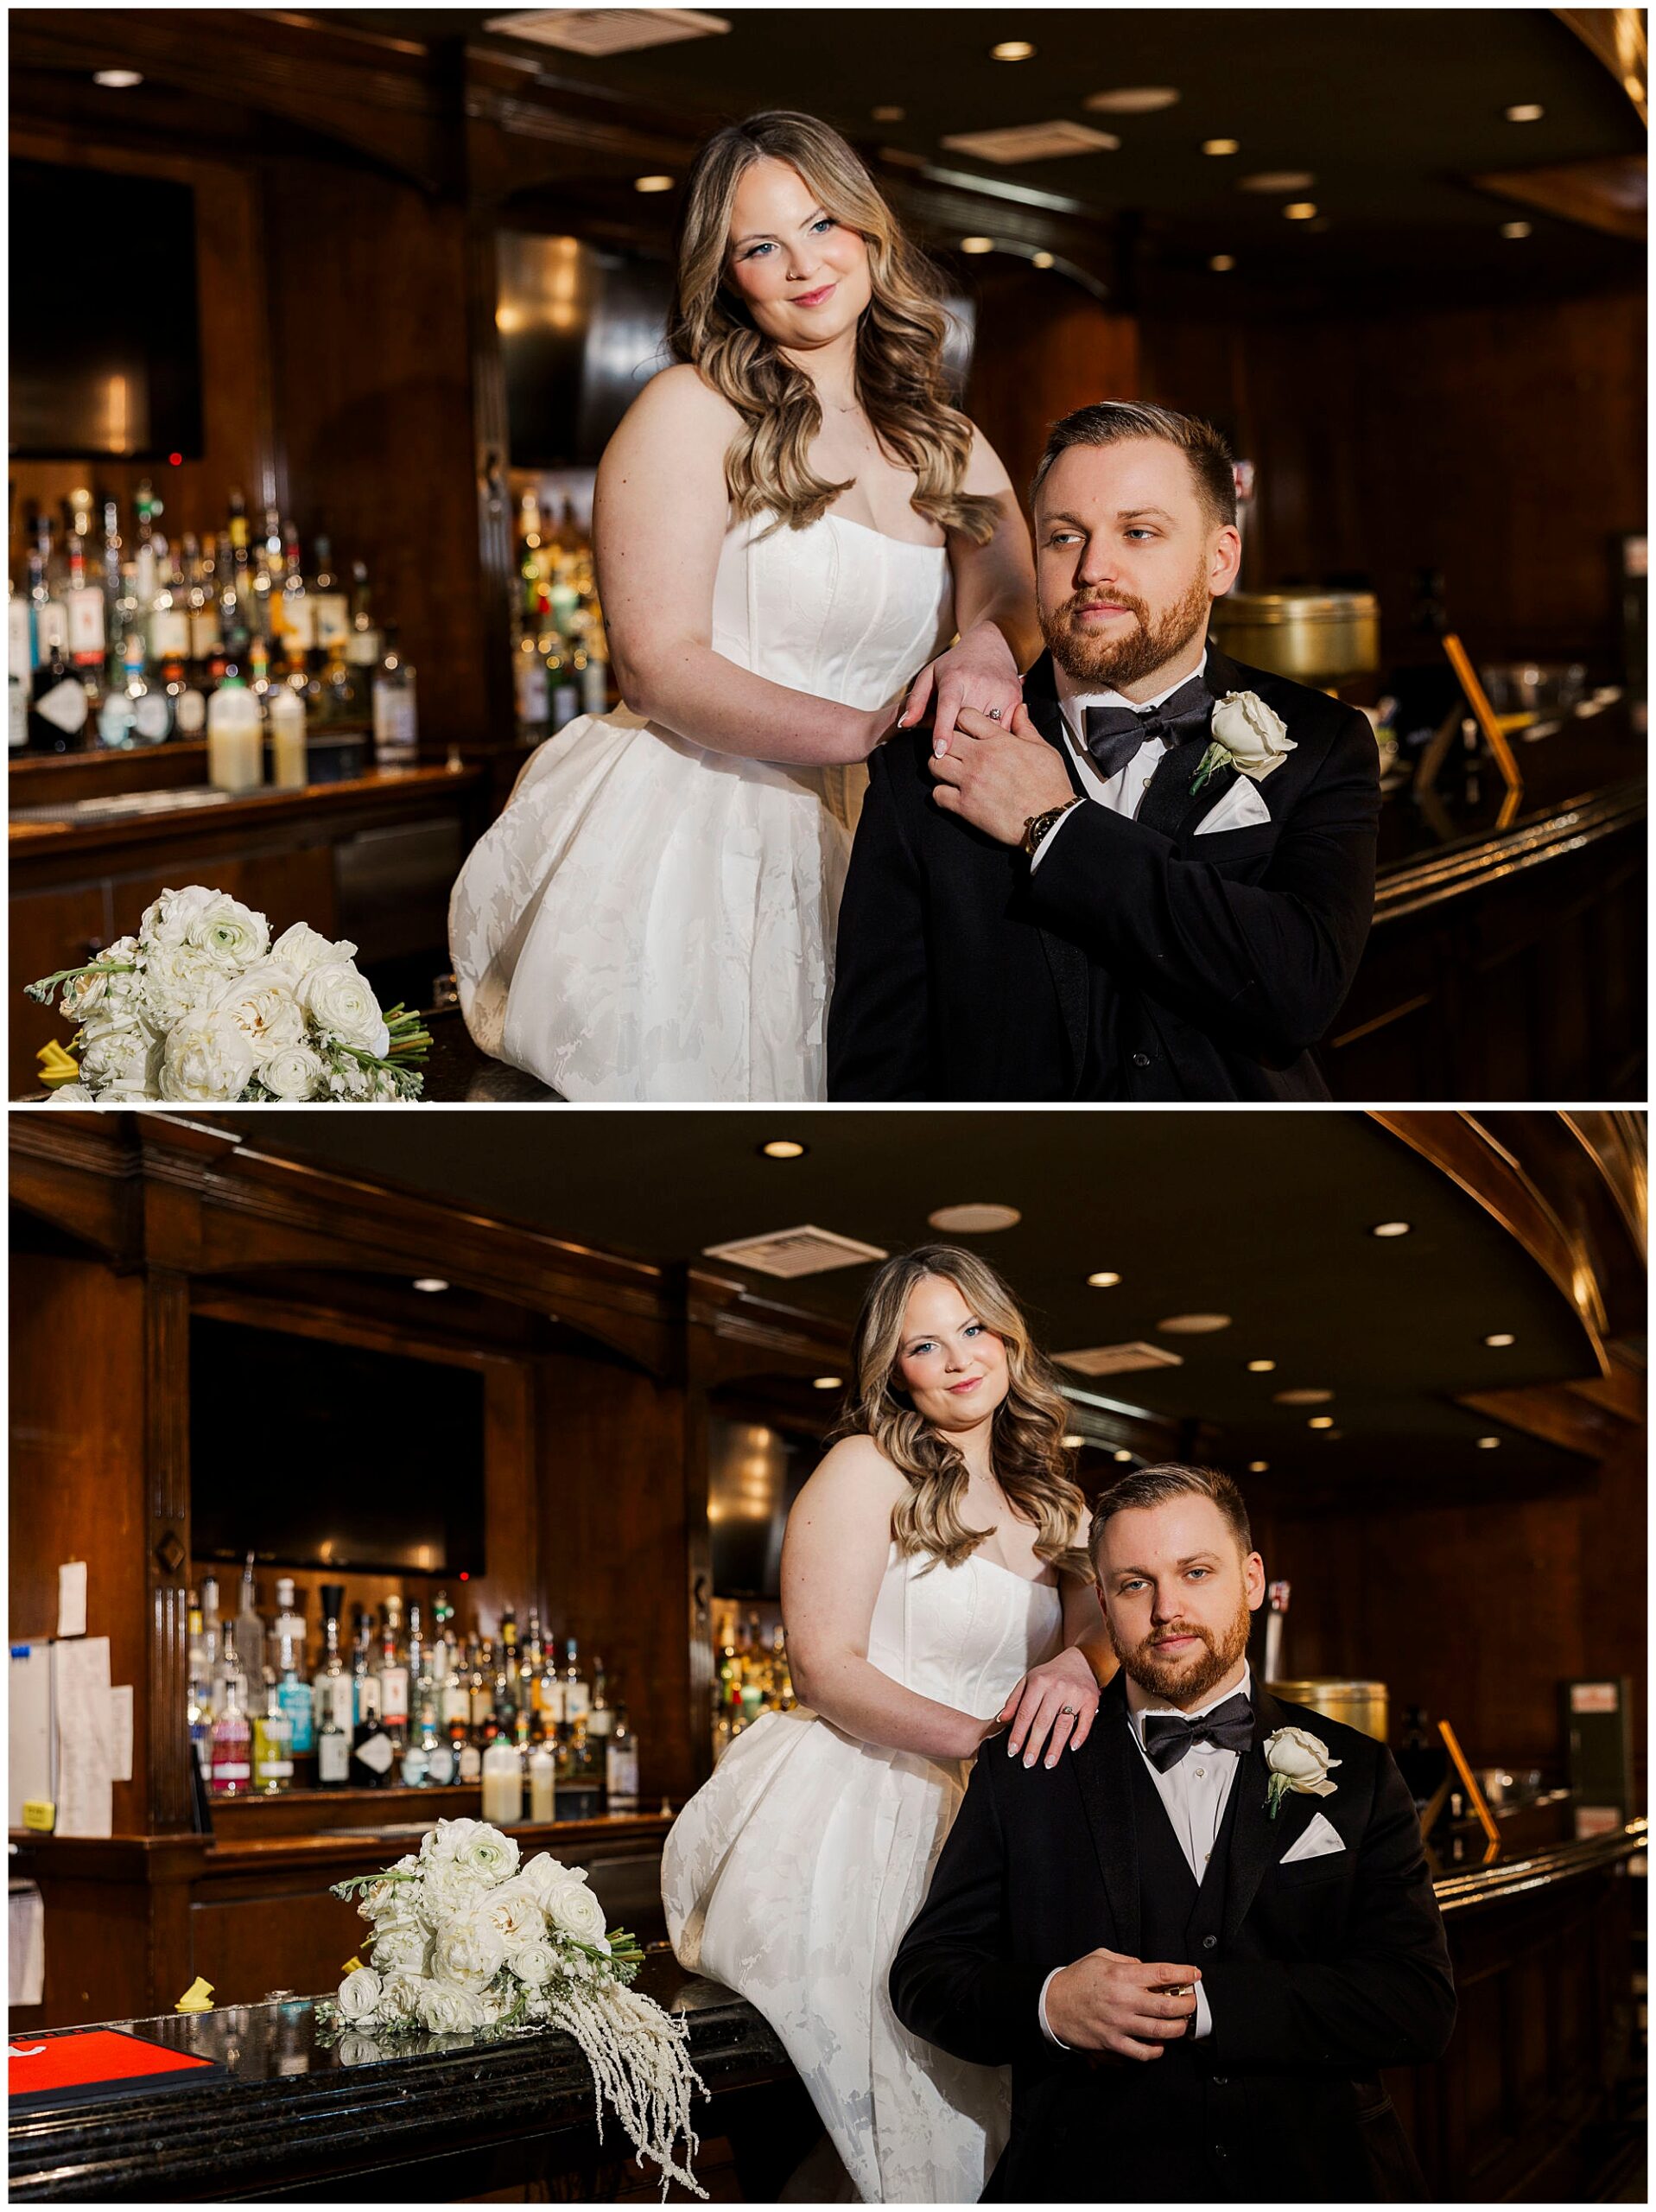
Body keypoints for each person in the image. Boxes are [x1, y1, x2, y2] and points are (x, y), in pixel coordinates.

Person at [449, 111, 1037, 1100]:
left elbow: (1016, 592)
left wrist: (982, 649)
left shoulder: (947, 438)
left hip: (895, 825)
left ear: (869, 232)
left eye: (822, 226)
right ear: (726, 276)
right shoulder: (687, 410)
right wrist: (869, 731)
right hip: (708, 816)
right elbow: (658, 662)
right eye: (762, 246)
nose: (804, 264)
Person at [661, 1246, 1111, 2201]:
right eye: (923, 1344)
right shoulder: (866, 1467)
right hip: (871, 1794)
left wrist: (1077, 1658)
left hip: (1000, 1819)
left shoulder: (1052, 1497)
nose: (957, 1358)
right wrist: (982, 1744)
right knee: (885, 2075)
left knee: (1005, 2077)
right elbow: (824, 1667)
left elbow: (1102, 1632)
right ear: (891, 1369)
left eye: (973, 1330)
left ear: (1008, 1337)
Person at [889, 1463, 1456, 2202]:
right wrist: (1050, 2001)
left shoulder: (1357, 1769)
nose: (1167, 1610)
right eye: (1134, 1584)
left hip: (1320, 2176)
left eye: (1195, 1572)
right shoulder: (1023, 1768)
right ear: (1101, 1600)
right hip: (1090, 2178)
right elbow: (926, 1976)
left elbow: (1417, 2003)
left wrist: (1212, 2005)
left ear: (1250, 1579)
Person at [828, 400, 1382, 1100]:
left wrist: (1054, 825)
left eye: (1138, 532)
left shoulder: (1320, 742)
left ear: (1219, 560)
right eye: (1064, 537)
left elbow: (1296, 993)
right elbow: (878, 1069)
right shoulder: (931, 753)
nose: (1094, 568)